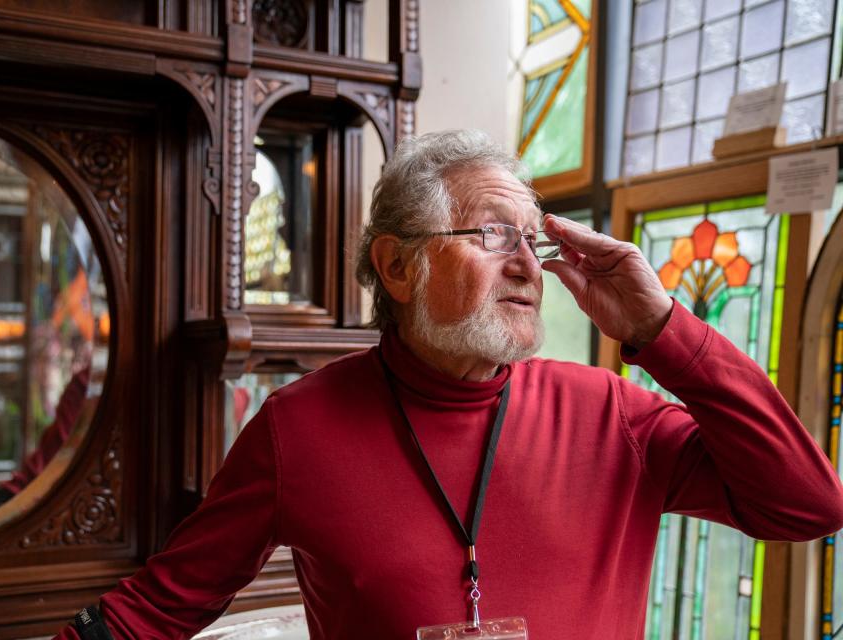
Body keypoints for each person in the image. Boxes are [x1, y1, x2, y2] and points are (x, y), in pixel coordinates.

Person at [54, 130, 843, 640]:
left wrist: (662, 329)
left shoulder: (613, 414)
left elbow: (808, 502)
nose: (528, 263)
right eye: (495, 234)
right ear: (398, 266)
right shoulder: (299, 426)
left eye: (535, 243)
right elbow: (158, 609)